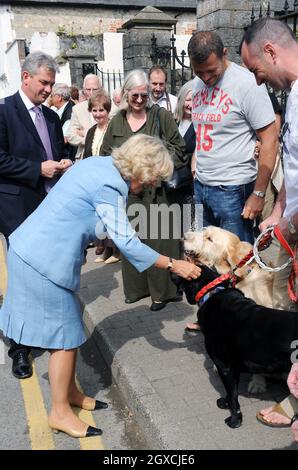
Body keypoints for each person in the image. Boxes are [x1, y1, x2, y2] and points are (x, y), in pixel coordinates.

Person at [0, 134, 201, 439]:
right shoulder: (109, 186)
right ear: (140, 170)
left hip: (32, 251)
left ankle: (70, 395)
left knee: (67, 333)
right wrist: (175, 264)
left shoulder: (99, 164)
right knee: (65, 339)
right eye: (151, 180)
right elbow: (129, 246)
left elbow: (88, 217)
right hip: (41, 263)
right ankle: (59, 412)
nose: (150, 187)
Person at [241, 16, 298, 436]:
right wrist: (279, 211)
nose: (258, 83)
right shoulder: (292, 94)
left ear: (272, 52)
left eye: (257, 71)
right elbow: (292, 167)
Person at [0, 51, 72, 380]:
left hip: (48, 208)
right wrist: (37, 169)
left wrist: (64, 162)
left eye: (52, 84)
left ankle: (42, 332)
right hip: (16, 210)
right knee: (21, 281)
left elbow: (56, 152)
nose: (48, 89)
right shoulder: (4, 112)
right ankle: (19, 348)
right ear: (25, 77)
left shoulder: (53, 117)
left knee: (46, 275)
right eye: (44, 83)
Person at [100, 69, 187, 311]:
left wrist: (155, 163)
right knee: (132, 242)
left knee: (161, 242)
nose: (139, 101)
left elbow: (180, 149)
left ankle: (163, 293)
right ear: (125, 94)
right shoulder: (116, 121)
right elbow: (105, 155)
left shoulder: (161, 116)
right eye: (134, 96)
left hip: (158, 194)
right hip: (129, 194)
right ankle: (137, 290)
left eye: (144, 96)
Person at [188, 31, 278, 244]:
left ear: (224, 54)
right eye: (199, 72)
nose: (206, 78)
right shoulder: (198, 82)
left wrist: (258, 194)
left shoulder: (247, 84)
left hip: (233, 190)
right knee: (207, 260)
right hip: (201, 186)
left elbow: (270, 139)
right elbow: (204, 131)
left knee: (236, 263)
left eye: (211, 71)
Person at [83, 89, 120, 264]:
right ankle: (105, 249)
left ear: (108, 110)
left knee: (112, 215)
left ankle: (117, 251)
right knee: (99, 216)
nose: (98, 114)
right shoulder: (91, 131)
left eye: (101, 110)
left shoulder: (113, 128)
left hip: (110, 177)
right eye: (95, 110)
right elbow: (87, 155)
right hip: (94, 179)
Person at [174, 79, 196, 233]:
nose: (191, 104)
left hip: (190, 186)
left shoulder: (200, 124)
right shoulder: (173, 122)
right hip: (172, 184)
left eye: (195, 100)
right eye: (188, 100)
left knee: (190, 229)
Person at [67, 74, 102, 161]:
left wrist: (84, 133)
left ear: (100, 89)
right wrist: (87, 140)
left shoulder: (111, 108)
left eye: (94, 89)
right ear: (83, 90)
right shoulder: (77, 109)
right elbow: (70, 136)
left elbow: (108, 135)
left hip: (103, 157)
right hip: (83, 158)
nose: (91, 92)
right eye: (88, 89)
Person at [51, 83, 76, 161]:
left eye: (51, 96)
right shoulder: (59, 109)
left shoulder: (71, 111)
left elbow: (64, 139)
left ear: (58, 97)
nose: (50, 98)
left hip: (68, 156)